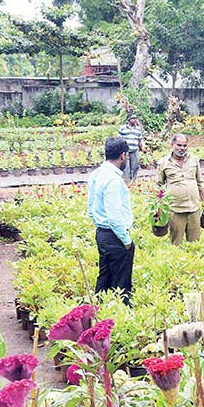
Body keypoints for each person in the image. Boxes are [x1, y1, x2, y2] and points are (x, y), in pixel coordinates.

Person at [89, 137, 135, 304]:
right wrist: (126, 240)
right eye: (127, 156)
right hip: (115, 236)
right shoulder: (113, 180)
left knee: (105, 279)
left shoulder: (96, 174)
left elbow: (91, 208)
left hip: (102, 233)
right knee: (120, 285)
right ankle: (119, 319)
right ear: (123, 156)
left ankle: (98, 316)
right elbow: (114, 216)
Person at [157, 133, 204, 245]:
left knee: (195, 243)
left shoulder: (194, 160)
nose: (182, 148)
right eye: (179, 145)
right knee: (176, 243)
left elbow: (200, 182)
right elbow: (159, 186)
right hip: (175, 209)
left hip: (193, 207)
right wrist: (159, 208)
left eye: (184, 146)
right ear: (172, 145)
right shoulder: (164, 163)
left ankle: (193, 261)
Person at [118, 113, 144, 181]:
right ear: (129, 120)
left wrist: (143, 148)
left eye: (135, 118)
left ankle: (133, 181)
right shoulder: (122, 128)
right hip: (125, 151)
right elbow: (119, 139)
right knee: (126, 167)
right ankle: (126, 181)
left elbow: (140, 140)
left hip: (135, 150)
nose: (135, 120)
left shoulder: (138, 129)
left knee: (135, 166)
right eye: (133, 118)